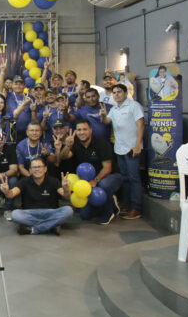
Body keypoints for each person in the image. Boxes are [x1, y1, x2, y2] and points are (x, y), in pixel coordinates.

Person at [59, 119, 124, 225]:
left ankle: (108, 212)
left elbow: (107, 168)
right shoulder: (75, 143)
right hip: (89, 180)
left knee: (104, 185)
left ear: (90, 130)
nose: (82, 132)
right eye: (79, 130)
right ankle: (110, 202)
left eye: (85, 129)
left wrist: (95, 181)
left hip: (110, 176)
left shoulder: (101, 143)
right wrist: (67, 146)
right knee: (85, 215)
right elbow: (63, 157)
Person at [101, 83, 145, 220]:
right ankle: (127, 205)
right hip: (119, 149)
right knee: (125, 178)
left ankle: (136, 208)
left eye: (119, 92)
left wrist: (138, 144)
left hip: (132, 149)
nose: (116, 94)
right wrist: (102, 116)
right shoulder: (114, 109)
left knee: (134, 178)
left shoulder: (134, 106)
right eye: (114, 93)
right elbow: (106, 122)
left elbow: (141, 125)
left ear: (125, 93)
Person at [1, 157, 73, 235]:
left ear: (45, 169)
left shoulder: (53, 181)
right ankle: (51, 225)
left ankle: (34, 229)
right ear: (30, 170)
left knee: (68, 210)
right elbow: (11, 194)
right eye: (34, 167)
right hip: (30, 213)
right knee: (15, 214)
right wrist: (6, 191)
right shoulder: (24, 181)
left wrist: (66, 189)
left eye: (39, 167)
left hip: (50, 212)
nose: (37, 169)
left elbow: (66, 196)